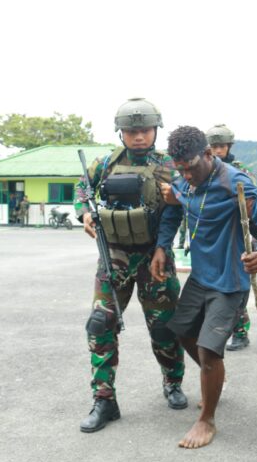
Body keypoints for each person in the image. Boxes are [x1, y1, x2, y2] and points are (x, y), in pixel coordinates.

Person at [152, 125, 257, 449]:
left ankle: (207, 419)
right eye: (181, 169)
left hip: (230, 280)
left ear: (209, 154)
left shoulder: (234, 182)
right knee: (182, 331)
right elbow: (173, 207)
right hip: (200, 276)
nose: (187, 175)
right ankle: (215, 377)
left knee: (210, 348)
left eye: (191, 167)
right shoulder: (184, 178)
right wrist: (161, 246)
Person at [75, 98, 187, 433]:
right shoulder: (104, 163)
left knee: (165, 327)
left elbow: (183, 206)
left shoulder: (171, 166)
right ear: (121, 132)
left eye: (144, 130)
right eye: (131, 131)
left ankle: (172, 381)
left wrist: (165, 242)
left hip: (156, 256)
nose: (138, 136)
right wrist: (83, 212)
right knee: (100, 323)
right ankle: (104, 399)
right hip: (115, 256)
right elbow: (82, 189)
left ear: (155, 129)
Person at [206, 124, 253, 352]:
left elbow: (252, 203)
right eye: (213, 146)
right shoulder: (203, 171)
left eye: (221, 146)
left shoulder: (240, 170)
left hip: (236, 236)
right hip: (213, 239)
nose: (217, 151)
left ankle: (241, 333)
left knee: (236, 288)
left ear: (229, 146)